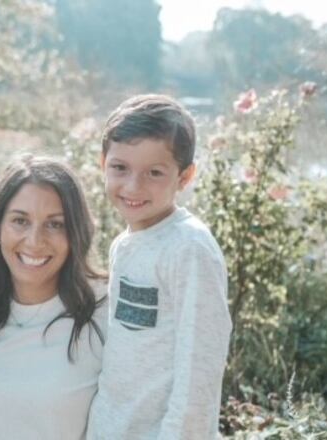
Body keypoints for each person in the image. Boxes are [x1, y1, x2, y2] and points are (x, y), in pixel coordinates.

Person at [86, 94, 232, 439]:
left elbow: (201, 366)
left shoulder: (189, 248)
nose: (133, 186)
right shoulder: (124, 244)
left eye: (154, 173)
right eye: (120, 168)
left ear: (184, 177)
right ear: (102, 162)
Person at [0, 155, 108, 440]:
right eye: (20, 221)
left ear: (76, 233)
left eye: (55, 224)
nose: (34, 241)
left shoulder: (106, 311)